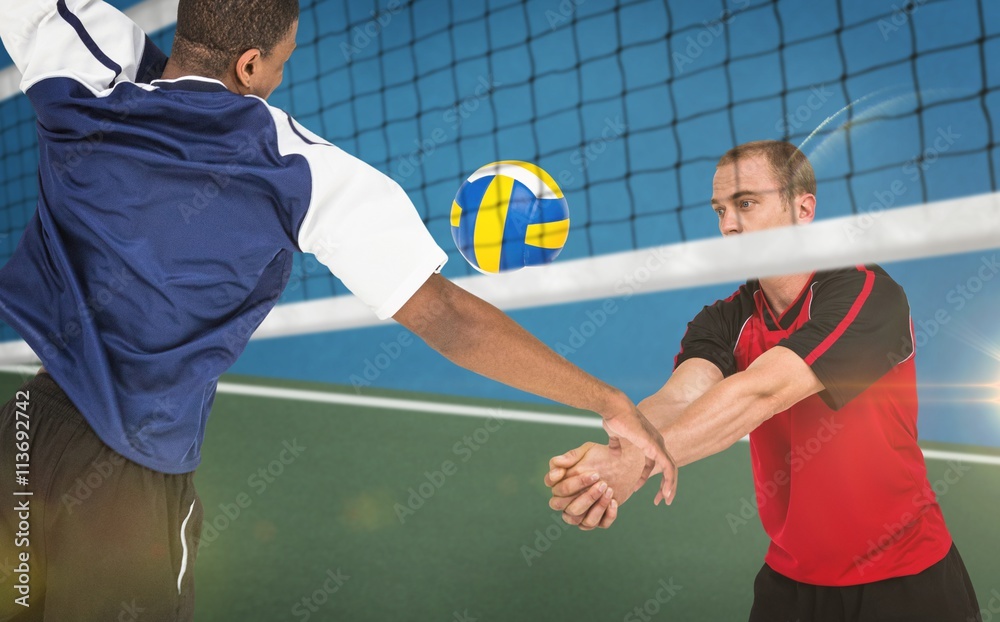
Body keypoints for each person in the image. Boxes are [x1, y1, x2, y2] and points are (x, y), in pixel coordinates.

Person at [0, 1, 676, 619]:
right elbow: (448, 319)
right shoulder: (299, 167)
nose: (279, 78)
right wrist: (607, 399)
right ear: (250, 64)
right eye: (282, 63)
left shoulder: (87, 75)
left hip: (25, 436)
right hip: (130, 482)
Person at [544, 141, 981, 621]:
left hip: (905, 581)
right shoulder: (725, 319)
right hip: (791, 584)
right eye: (720, 210)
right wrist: (614, 458)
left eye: (746, 203)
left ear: (803, 207)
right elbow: (679, 396)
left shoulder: (867, 296)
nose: (729, 225)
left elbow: (760, 392)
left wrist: (639, 463)